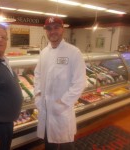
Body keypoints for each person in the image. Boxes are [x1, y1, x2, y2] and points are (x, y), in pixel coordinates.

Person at [34, 17, 86, 150]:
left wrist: (62, 103)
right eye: (49, 29)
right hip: (45, 110)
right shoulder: (44, 53)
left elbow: (79, 83)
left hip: (62, 111)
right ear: (46, 31)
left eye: (56, 27)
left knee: (65, 145)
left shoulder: (73, 52)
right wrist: (38, 95)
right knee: (49, 144)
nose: (53, 31)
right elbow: (38, 75)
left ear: (63, 29)